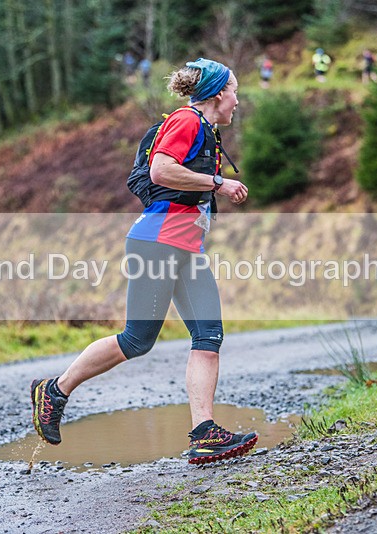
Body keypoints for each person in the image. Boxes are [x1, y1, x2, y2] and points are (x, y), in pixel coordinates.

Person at [30, 58, 258, 465]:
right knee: (137, 340)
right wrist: (219, 183)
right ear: (219, 93)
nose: (238, 100)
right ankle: (55, 390)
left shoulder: (207, 132)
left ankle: (204, 433)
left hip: (186, 247)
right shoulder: (187, 121)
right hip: (157, 243)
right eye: (235, 91)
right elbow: (161, 169)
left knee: (209, 336)